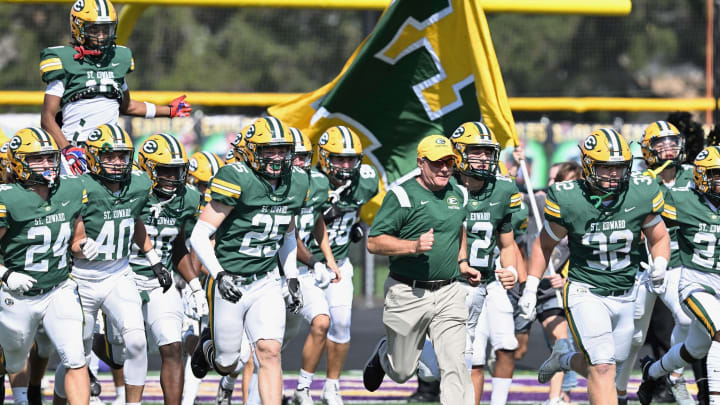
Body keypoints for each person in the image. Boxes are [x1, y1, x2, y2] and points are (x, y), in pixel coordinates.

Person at [518, 128, 670, 405]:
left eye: (619, 167)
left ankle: (564, 358)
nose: (614, 174)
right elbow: (543, 245)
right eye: (605, 168)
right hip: (585, 290)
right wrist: (530, 288)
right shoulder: (569, 197)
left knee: (611, 366)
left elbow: (659, 237)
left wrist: (660, 263)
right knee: (602, 367)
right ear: (588, 166)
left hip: (626, 291)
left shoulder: (640, 191)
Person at [189, 116, 308, 405]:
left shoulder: (297, 181)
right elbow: (199, 235)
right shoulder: (236, 177)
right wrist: (219, 274)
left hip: (265, 281)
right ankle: (208, 348)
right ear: (252, 151)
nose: (277, 157)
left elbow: (288, 234)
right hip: (230, 281)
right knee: (228, 363)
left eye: (282, 150)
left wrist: (290, 275)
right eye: (269, 150)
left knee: (269, 351)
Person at [53, 123, 171, 405]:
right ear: (94, 156)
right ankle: (59, 400)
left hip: (119, 273)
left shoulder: (139, 183)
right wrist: (81, 247)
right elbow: (71, 238)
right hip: (80, 277)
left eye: (122, 155)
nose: (118, 162)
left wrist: (154, 260)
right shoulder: (79, 185)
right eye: (109, 156)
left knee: (138, 342)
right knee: (76, 354)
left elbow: (134, 219)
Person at [362, 134, 482, 405]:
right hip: (407, 291)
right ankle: (385, 354)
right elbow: (374, 242)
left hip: (450, 290)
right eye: (437, 163)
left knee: (455, 364)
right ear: (421, 163)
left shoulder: (459, 192)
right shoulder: (402, 195)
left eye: (449, 162)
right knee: (402, 370)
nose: (444, 168)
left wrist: (462, 262)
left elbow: (459, 228)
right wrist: (413, 246)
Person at [39, 0, 191, 175]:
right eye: (94, 29)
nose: (102, 35)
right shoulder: (63, 60)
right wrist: (67, 149)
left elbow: (127, 106)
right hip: (77, 150)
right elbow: (47, 117)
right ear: (77, 27)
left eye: (106, 29)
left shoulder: (117, 59)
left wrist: (169, 110)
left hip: (110, 152)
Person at [0, 128, 90, 405]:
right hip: (15, 294)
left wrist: (85, 246)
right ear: (18, 162)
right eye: (37, 159)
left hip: (58, 288)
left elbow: (77, 238)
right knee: (12, 360)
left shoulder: (71, 188)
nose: (48, 165)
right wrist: (6, 275)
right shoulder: (8, 197)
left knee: (75, 357)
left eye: (50, 158)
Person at [614, 121, 694, 405]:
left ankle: (673, 376)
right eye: (661, 143)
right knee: (633, 337)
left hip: (682, 265)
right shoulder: (638, 180)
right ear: (648, 150)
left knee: (687, 319)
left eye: (673, 141)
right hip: (644, 267)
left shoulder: (696, 175)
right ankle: (619, 391)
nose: (669, 148)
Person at [637, 145, 720, 405]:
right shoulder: (683, 199)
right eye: (717, 174)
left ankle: (652, 372)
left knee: (695, 348)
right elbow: (646, 219)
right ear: (701, 176)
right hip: (697, 283)